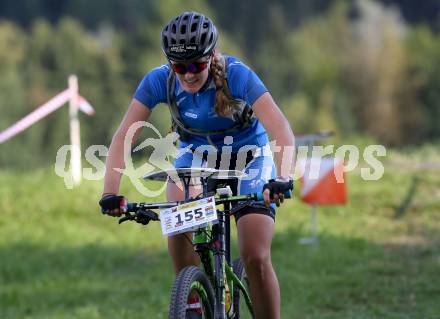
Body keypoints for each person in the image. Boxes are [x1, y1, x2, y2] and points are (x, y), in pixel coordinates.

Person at [99, 11, 295, 319]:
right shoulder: (158, 81)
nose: (189, 74)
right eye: (180, 67)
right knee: (176, 219)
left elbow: (281, 128)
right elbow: (124, 136)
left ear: (211, 57)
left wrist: (282, 178)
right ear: (170, 64)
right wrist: (110, 193)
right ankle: (191, 299)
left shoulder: (237, 75)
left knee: (255, 255)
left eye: (197, 65)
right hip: (198, 158)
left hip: (251, 158)